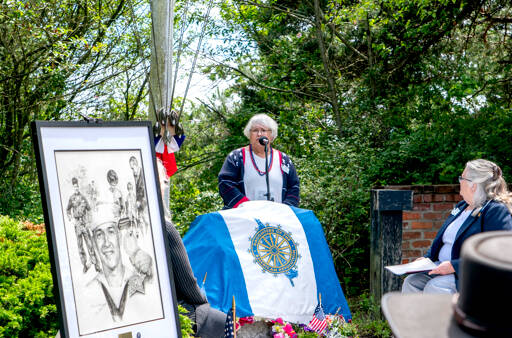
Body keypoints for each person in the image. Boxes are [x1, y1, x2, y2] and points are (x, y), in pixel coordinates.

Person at [401, 159, 512, 294]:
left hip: (469, 272)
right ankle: (411, 316)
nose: (459, 181)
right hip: (441, 266)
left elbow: (498, 252)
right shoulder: (461, 206)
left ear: (473, 185)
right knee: (412, 281)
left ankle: (439, 316)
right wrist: (427, 258)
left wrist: (454, 266)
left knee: (435, 286)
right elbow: (442, 239)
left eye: (462, 178)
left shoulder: (495, 210)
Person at [79, 203, 159, 332]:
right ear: (93, 244)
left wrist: (136, 253)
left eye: (111, 232)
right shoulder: (88, 292)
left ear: (119, 236)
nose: (106, 243)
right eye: (99, 235)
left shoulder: (138, 282)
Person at [218, 113, 300, 209]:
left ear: (272, 135)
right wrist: (244, 206)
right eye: (255, 130)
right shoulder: (236, 157)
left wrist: (285, 209)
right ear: (249, 135)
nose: (259, 134)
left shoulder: (284, 160)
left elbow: (294, 187)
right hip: (244, 216)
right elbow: (225, 182)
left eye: (263, 130)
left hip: (277, 219)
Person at [66, 177, 100, 273]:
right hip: (77, 224)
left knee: (89, 244)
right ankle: (84, 264)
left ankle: (96, 264)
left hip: (84, 223)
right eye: (74, 187)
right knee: (80, 246)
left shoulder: (83, 197)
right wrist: (71, 219)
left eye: (77, 186)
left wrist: (89, 221)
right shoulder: (71, 198)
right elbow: (68, 209)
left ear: (78, 187)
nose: (76, 188)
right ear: (73, 187)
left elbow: (89, 209)